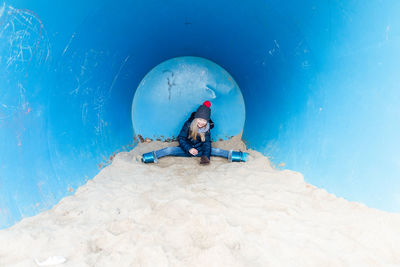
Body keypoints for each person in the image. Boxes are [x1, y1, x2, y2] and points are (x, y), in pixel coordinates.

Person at [141, 101, 248, 165]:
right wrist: (189, 149)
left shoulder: (207, 128)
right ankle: (149, 157)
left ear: (207, 121)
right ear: (196, 118)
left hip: (200, 151)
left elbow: (206, 143)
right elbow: (181, 138)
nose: (201, 122)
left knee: (216, 151)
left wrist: (205, 156)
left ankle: (238, 156)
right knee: (169, 150)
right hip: (186, 150)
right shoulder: (188, 124)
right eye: (199, 119)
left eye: (204, 120)